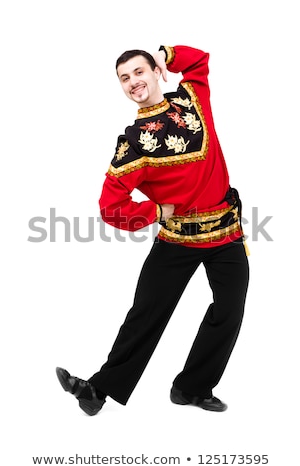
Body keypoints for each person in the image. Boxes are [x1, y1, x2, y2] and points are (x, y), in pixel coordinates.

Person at [56, 45, 249, 416]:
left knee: (229, 310)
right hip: (176, 241)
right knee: (146, 315)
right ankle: (97, 390)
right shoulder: (133, 144)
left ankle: (191, 388)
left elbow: (198, 59)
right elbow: (111, 208)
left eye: (139, 72)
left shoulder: (193, 99)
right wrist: (156, 211)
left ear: (155, 72)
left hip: (226, 234)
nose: (133, 82)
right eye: (125, 78)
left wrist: (166, 53)